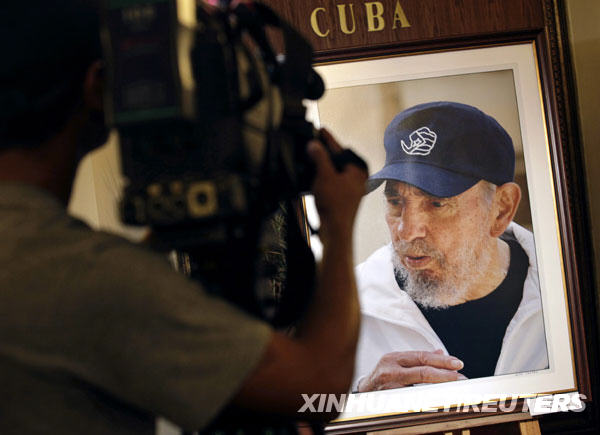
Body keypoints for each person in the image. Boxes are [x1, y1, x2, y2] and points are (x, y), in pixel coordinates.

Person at [0, 1, 367, 433]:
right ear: (98, 87)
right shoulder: (88, 275)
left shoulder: (53, 263)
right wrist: (339, 222)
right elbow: (319, 390)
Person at [353, 101, 548, 393]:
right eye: (395, 202)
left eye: (437, 203)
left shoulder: (566, 290)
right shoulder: (345, 308)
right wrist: (361, 400)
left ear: (501, 209)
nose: (407, 231)